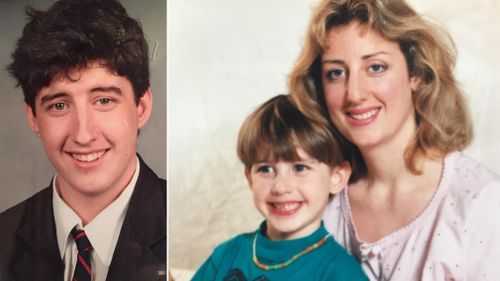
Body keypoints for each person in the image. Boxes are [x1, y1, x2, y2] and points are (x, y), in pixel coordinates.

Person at [288, 0, 500, 280]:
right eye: (336, 73)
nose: (354, 93)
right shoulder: (317, 197)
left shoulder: (482, 203)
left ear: (417, 74)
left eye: (375, 67)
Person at [0, 0, 166, 280]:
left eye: (103, 100)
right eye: (59, 106)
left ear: (141, 106)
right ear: (33, 118)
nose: (84, 134)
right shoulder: (4, 237)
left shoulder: (191, 229)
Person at [192, 94, 368, 280]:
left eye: (300, 168)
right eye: (266, 169)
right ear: (250, 178)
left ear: (336, 177)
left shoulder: (342, 273)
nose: (281, 187)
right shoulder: (226, 255)